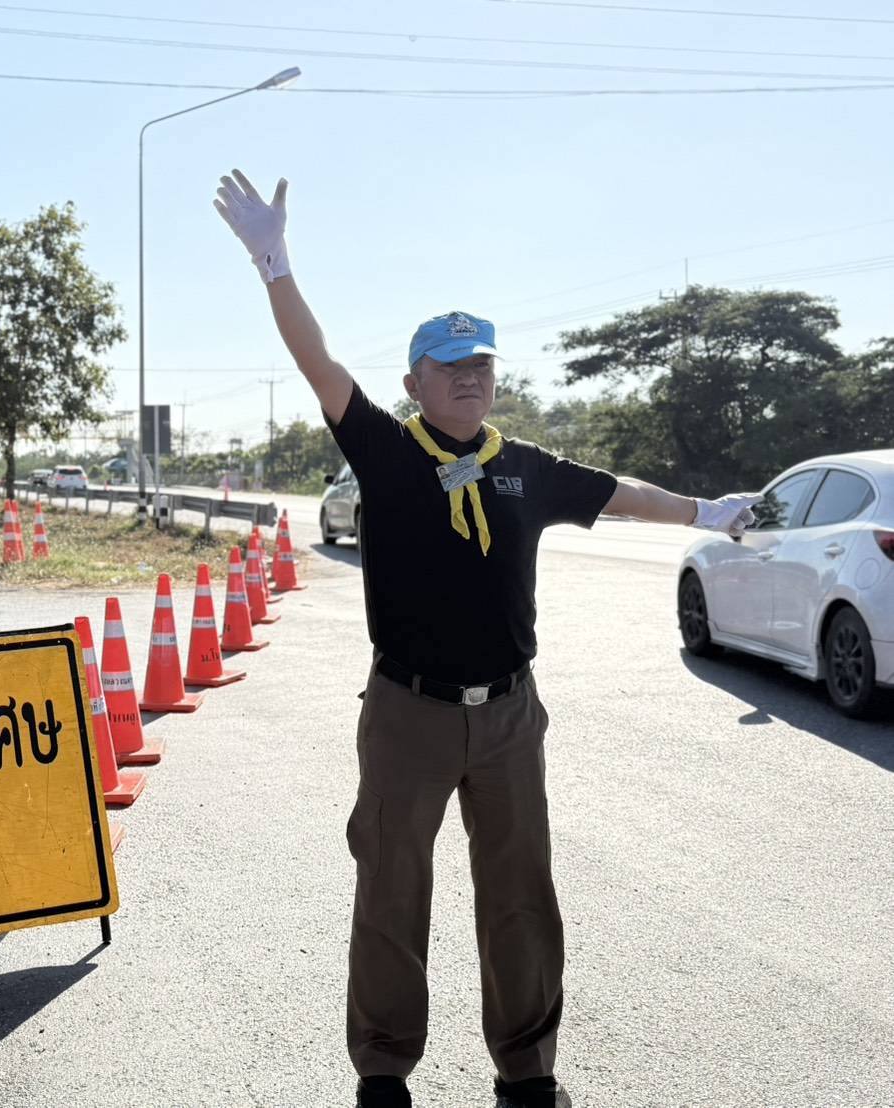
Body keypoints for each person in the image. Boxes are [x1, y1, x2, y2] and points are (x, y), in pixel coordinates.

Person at [213, 170, 759, 1108]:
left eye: (480, 365)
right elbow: (318, 364)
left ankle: (526, 1070)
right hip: (407, 712)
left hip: (508, 715)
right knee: (391, 893)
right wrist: (274, 262)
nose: (468, 377)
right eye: (448, 366)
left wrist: (704, 509)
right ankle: (383, 1070)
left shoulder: (523, 467)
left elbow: (619, 494)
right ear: (414, 383)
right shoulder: (386, 452)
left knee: (519, 897)